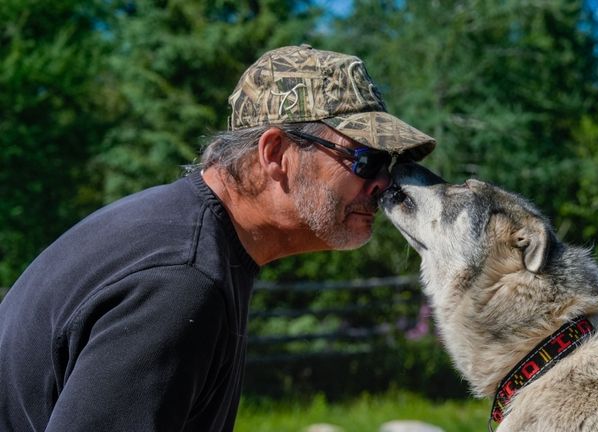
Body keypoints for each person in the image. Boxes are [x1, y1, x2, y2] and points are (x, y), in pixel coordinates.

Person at [0, 44, 435, 431]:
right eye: (365, 159)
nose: (383, 182)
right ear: (275, 154)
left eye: (388, 163)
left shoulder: (192, 236)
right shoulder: (180, 280)